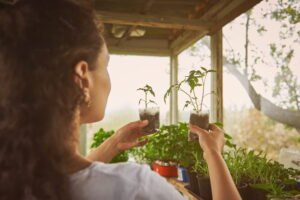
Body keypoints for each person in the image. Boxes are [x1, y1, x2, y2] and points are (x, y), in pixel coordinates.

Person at [0, 0, 242, 200]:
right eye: (106, 65)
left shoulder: (14, 179)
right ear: (82, 77)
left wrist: (114, 143)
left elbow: (69, 178)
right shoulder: (134, 189)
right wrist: (213, 153)